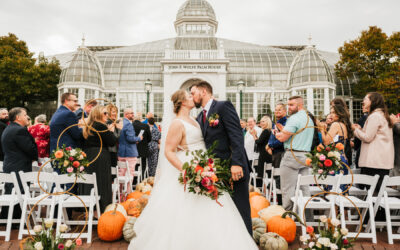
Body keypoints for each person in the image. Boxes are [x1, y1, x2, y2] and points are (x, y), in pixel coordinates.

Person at [128, 89, 257, 250]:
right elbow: (168, 151)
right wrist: (188, 170)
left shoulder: (195, 120)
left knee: (214, 209)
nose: (192, 97)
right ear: (182, 102)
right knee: (186, 211)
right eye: (189, 96)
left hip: (206, 167)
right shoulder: (177, 123)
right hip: (190, 169)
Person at [191, 81, 252, 234]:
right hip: (216, 173)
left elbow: (236, 135)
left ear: (203, 91)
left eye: (193, 93)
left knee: (240, 209)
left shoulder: (223, 106)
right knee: (226, 213)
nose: (192, 97)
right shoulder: (200, 117)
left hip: (234, 169)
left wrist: (236, 163)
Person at [275, 96, 314, 210]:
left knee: (287, 189)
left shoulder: (294, 118)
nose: (289, 107)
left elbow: (282, 138)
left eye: (291, 105)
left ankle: (288, 218)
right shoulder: (308, 118)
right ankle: (307, 219)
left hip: (292, 156)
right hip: (306, 156)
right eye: (288, 105)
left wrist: (277, 133)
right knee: (304, 189)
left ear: (300, 105)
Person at [352, 92, 394, 193]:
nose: (363, 102)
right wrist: (361, 129)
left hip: (373, 163)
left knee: (373, 194)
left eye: (365, 99)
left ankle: (376, 209)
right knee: (378, 194)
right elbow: (374, 136)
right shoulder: (382, 115)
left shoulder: (374, 116)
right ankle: (380, 209)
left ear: (373, 101)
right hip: (381, 162)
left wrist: (354, 130)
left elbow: (367, 138)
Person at [0, 108, 37, 220]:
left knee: (10, 191)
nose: (27, 117)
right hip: (19, 166)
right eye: (25, 115)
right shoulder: (19, 130)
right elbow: (30, 149)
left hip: (10, 164)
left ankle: (7, 218)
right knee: (18, 192)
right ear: (18, 117)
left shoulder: (8, 128)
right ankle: (15, 220)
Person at [80, 106, 117, 213]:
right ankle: (101, 209)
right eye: (105, 113)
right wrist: (111, 131)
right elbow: (112, 141)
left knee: (90, 182)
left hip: (88, 156)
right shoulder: (100, 126)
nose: (107, 115)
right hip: (100, 156)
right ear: (97, 114)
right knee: (101, 182)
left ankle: (91, 210)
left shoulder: (88, 126)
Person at [318, 104, 352, 192]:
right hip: (343, 159)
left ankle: (334, 206)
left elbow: (326, 142)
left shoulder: (336, 124)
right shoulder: (343, 125)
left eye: (333, 112)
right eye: (330, 112)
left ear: (339, 113)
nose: (331, 115)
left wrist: (322, 129)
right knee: (341, 190)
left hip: (334, 160)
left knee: (332, 190)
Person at [118, 108, 142, 193]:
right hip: (130, 153)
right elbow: (130, 138)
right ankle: (128, 193)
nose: (133, 115)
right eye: (131, 113)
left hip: (121, 152)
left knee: (121, 173)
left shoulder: (121, 123)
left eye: (133, 113)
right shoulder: (128, 124)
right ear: (126, 115)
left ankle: (120, 192)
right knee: (130, 173)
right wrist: (139, 138)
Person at [253, 116, 272, 187]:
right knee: (267, 174)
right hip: (267, 153)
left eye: (263, 121)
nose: (261, 123)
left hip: (264, 154)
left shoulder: (266, 131)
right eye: (261, 121)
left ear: (268, 122)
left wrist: (254, 136)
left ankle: (265, 191)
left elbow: (259, 142)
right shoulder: (268, 131)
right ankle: (266, 190)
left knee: (264, 174)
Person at [267, 103, 287, 169]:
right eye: (275, 110)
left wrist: (270, 145)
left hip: (281, 152)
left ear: (285, 111)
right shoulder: (276, 123)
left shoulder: (286, 123)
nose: (277, 111)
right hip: (274, 152)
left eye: (279, 110)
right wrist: (269, 145)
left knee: (279, 176)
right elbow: (272, 136)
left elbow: (282, 139)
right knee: (275, 175)